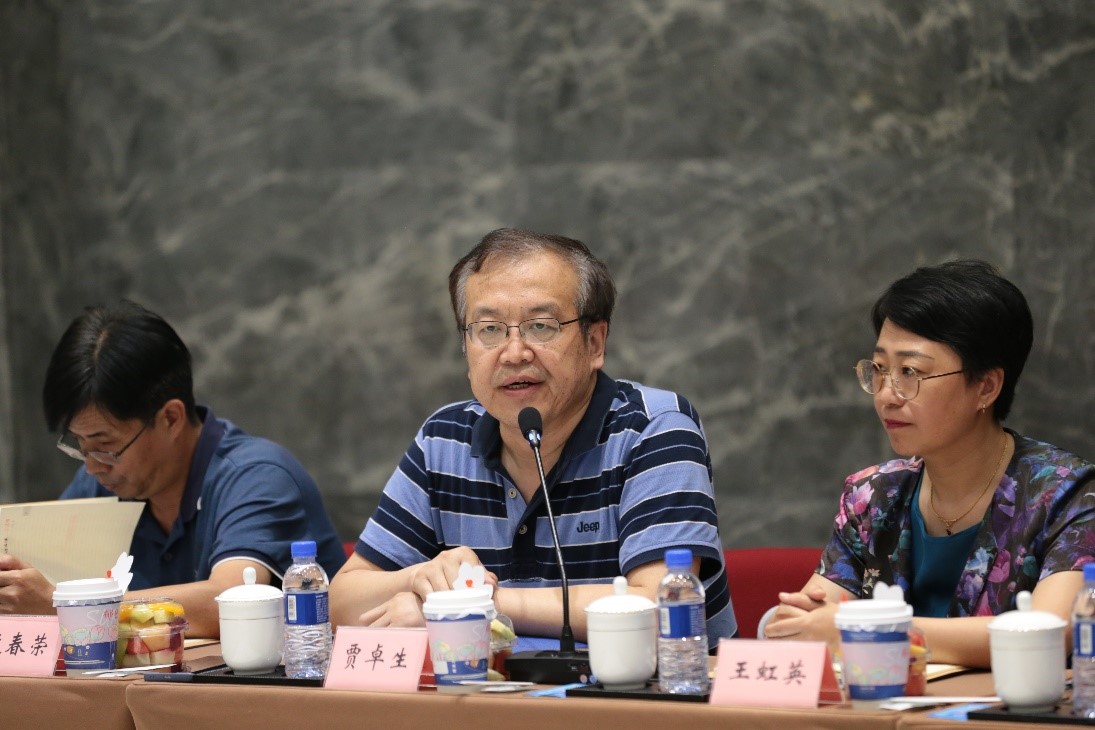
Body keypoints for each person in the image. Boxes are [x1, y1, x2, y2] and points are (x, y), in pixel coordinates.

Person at [330, 227, 736, 647]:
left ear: (595, 343)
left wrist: (472, 605)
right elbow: (340, 602)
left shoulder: (655, 429)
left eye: (541, 326)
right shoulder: (444, 440)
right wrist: (418, 579)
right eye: (489, 329)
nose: (514, 353)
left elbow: (662, 607)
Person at [764, 260, 1095, 667]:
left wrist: (864, 629)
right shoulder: (874, 497)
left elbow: (1052, 631)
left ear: (986, 387)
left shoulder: (1067, 495)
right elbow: (806, 620)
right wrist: (799, 621)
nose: (886, 395)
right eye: (880, 370)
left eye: (910, 372)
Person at [0, 301, 346, 636]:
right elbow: (38, 578)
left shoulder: (257, 476)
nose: (91, 466)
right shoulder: (99, 485)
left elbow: (227, 601)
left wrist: (67, 607)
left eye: (105, 446)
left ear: (170, 418)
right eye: (79, 444)